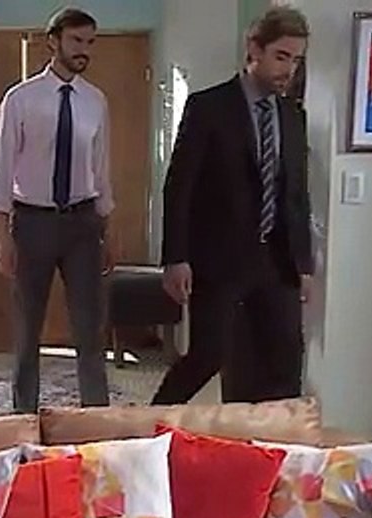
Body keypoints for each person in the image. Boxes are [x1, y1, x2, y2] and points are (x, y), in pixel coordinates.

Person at [151, 6, 313, 406]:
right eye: (281, 56)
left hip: (278, 261)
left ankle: (273, 440)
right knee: (208, 355)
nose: (288, 69)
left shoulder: (292, 115)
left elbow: (296, 194)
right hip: (220, 258)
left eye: (296, 60)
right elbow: (179, 186)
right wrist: (175, 258)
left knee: (286, 359)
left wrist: (305, 264)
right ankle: (149, 424)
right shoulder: (209, 107)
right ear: (253, 49)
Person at [0, 6, 118, 414]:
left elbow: (101, 170)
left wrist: (108, 231)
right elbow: (1, 172)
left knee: (90, 329)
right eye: (76, 40)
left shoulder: (95, 101)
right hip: (33, 222)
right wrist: (3, 239)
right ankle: (23, 414)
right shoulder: (20, 99)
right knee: (28, 329)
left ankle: (95, 415)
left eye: (90, 42)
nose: (83, 50)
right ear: (53, 41)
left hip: (83, 223)